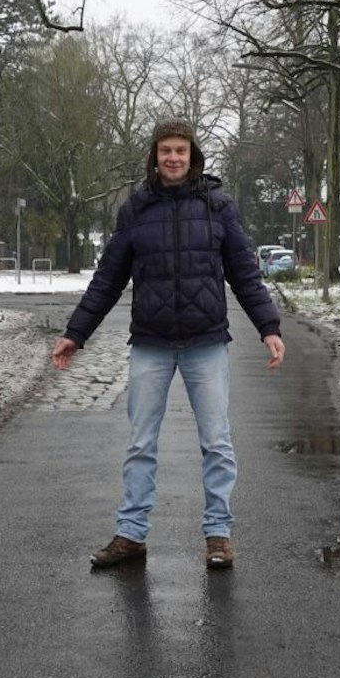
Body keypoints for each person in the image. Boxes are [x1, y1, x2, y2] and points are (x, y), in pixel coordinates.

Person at [51, 118, 285, 571]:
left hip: (206, 343)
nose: (173, 157)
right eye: (165, 151)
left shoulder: (218, 207)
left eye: (180, 149)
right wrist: (75, 333)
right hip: (151, 345)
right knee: (140, 443)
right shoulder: (136, 210)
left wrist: (268, 327)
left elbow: (244, 273)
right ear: (154, 157)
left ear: (192, 154)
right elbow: (108, 278)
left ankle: (218, 534)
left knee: (216, 442)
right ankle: (131, 534)